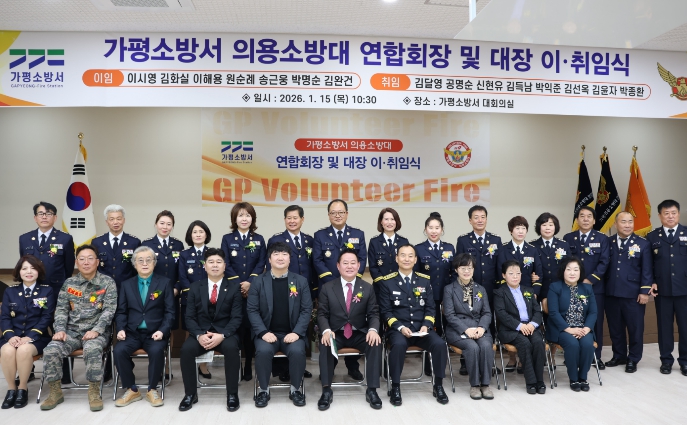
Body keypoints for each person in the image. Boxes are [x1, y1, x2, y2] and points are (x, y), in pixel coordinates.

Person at [40, 244, 118, 412]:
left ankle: (94, 392)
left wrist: (96, 330)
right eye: (82, 259)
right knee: (51, 349)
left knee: (92, 348)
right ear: (76, 262)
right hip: (71, 332)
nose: (86, 262)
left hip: (97, 333)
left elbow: (109, 310)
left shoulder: (107, 282)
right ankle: (55, 392)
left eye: (90, 258)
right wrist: (60, 330)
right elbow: (61, 310)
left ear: (97, 262)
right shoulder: (69, 283)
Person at [378, 244, 448, 406]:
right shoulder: (387, 282)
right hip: (398, 330)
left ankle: (438, 385)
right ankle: (395, 387)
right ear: (396, 259)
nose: (407, 259)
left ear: (416, 260)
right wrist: (400, 327)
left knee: (439, 344)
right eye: (403, 255)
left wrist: (426, 325)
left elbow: (430, 308)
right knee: (398, 345)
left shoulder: (424, 280)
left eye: (410, 256)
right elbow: (386, 312)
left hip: (421, 330)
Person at [247, 241, 312, 408]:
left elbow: (306, 310)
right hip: (267, 333)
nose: (280, 257)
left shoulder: (300, 281)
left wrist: (297, 332)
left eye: (284, 254)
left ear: (290, 259)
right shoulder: (258, 281)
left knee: (298, 351)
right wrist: (263, 332)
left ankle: (295, 389)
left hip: (292, 333)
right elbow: (252, 310)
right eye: (276, 254)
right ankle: (263, 390)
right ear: (269, 259)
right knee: (262, 351)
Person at [316, 248, 382, 411]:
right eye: (345, 263)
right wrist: (326, 330)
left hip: (359, 332)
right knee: (325, 343)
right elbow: (322, 314)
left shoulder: (367, 288)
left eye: (353, 263)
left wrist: (373, 330)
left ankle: (372, 390)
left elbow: (373, 313)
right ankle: (326, 390)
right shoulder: (327, 287)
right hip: (336, 332)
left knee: (375, 343)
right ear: (338, 266)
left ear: (359, 265)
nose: (349, 266)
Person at [178, 248, 243, 412]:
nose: (215, 265)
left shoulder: (234, 287)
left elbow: (237, 317)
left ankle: (232, 394)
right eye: (211, 262)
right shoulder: (195, 287)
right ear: (204, 266)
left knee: (232, 349)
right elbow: (189, 317)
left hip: (225, 334)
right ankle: (190, 394)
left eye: (219, 262)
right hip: (201, 333)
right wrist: (199, 335)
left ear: (224, 266)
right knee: (186, 350)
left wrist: (222, 335)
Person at [113, 246, 175, 408]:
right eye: (140, 260)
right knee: (118, 351)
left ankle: (152, 389)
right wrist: (121, 329)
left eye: (149, 260)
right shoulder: (126, 284)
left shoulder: (165, 283)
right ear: (134, 264)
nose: (145, 263)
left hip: (155, 333)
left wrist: (162, 331)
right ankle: (131, 389)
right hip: (132, 333)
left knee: (156, 351)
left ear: (154, 263)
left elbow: (170, 312)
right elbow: (121, 311)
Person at [313, 199, 367, 380]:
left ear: (347, 214)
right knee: (331, 324)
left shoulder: (357, 234)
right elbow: (317, 261)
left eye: (341, 212)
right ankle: (330, 366)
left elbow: (362, 259)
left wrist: (350, 280)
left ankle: (353, 366)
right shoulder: (320, 235)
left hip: (352, 287)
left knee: (352, 322)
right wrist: (335, 283)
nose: (337, 215)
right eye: (333, 212)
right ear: (329, 215)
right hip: (329, 289)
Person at [266, 205, 315, 382]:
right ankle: (282, 369)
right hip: (282, 289)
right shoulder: (276, 239)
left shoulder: (309, 240)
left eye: (295, 218)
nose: (292, 221)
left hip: (305, 289)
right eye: (289, 218)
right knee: (282, 325)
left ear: (302, 219)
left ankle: (298, 366)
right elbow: (270, 265)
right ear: (284, 219)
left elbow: (313, 266)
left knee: (302, 327)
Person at [220, 202, 267, 381]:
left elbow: (261, 263)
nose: (244, 219)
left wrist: (250, 283)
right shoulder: (227, 239)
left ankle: (248, 363)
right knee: (236, 328)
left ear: (252, 218)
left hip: (254, 290)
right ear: (235, 218)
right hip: (233, 290)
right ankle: (237, 363)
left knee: (250, 328)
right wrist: (240, 284)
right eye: (240, 215)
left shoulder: (259, 239)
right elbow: (225, 263)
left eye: (247, 215)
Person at [1, 256, 56, 409]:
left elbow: (47, 317)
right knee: (7, 350)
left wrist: (30, 336)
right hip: (12, 336)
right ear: (19, 271)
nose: (29, 272)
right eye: (24, 268)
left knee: (24, 350)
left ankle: (22, 388)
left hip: (37, 337)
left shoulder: (46, 290)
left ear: (39, 271)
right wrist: (10, 336)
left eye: (33, 268)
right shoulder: (10, 291)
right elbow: (5, 317)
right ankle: (11, 389)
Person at [455, 205, 501, 376]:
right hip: (468, 289)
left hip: (490, 289)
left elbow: (499, 266)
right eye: (476, 217)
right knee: (468, 320)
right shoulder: (463, 240)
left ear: (486, 219)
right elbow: (459, 264)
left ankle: (489, 362)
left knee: (489, 324)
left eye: (483, 217)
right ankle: (466, 362)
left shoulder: (495, 240)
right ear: (470, 220)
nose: (480, 220)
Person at [604, 212, 651, 373]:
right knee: (615, 328)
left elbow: (647, 269)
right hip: (611, 292)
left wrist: (644, 291)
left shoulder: (642, 243)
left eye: (630, 221)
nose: (627, 225)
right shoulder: (608, 242)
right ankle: (619, 355)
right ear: (615, 224)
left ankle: (633, 358)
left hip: (633, 293)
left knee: (635, 328)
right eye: (623, 222)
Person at [443, 253, 494, 400]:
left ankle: (485, 384)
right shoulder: (449, 289)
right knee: (472, 347)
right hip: (458, 330)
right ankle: (475, 385)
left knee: (486, 345)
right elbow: (450, 315)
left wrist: (482, 328)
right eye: (463, 268)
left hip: (479, 328)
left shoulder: (480, 289)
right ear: (456, 270)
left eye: (470, 268)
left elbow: (487, 313)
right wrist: (466, 329)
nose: (467, 271)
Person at [563, 206, 609, 368]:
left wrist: (590, 280)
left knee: (595, 321)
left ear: (594, 220)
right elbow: (565, 262)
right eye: (582, 216)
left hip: (595, 288)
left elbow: (604, 262)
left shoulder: (602, 238)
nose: (585, 219)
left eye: (589, 216)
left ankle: (596, 356)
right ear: (577, 220)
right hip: (572, 288)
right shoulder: (568, 238)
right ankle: (573, 355)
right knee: (573, 320)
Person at [493, 260, 546, 394]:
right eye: (511, 273)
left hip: (530, 327)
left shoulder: (528, 290)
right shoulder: (499, 292)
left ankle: (540, 380)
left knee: (538, 342)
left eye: (518, 273)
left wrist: (532, 325)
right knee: (524, 344)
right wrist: (520, 326)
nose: (515, 276)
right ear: (504, 275)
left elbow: (537, 311)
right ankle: (531, 382)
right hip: (511, 329)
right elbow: (502, 314)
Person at [647, 199, 687, 375]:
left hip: (684, 289)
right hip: (662, 289)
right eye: (666, 213)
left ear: (678, 214)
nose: (670, 216)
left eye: (673, 213)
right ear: (659, 216)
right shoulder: (652, 236)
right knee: (664, 328)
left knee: (685, 327)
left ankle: (685, 361)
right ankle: (666, 361)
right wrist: (651, 281)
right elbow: (648, 264)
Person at [546, 257, 597, 392]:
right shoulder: (555, 287)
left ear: (580, 272)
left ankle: (583, 377)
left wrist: (586, 328)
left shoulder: (587, 288)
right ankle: (574, 378)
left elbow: (593, 312)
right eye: (568, 269)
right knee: (573, 344)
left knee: (587, 345)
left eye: (576, 269)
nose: (572, 273)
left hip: (583, 328)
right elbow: (554, 313)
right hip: (563, 329)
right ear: (563, 271)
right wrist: (569, 329)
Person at [178, 220, 212, 378]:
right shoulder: (184, 254)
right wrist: (193, 294)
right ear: (190, 235)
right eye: (195, 232)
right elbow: (182, 277)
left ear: (206, 235)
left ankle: (203, 366)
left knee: (206, 331)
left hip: (210, 300)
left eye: (201, 232)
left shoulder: (212, 253)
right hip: (189, 299)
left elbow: (216, 275)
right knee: (189, 330)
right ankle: (189, 364)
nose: (198, 235)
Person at [414, 212, 455, 340]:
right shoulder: (418, 249)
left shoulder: (449, 248)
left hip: (445, 295)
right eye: (430, 227)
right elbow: (415, 275)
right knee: (429, 327)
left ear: (442, 230)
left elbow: (454, 272)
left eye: (437, 228)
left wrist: (450, 292)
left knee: (446, 326)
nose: (434, 231)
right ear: (425, 229)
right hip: (426, 296)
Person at [18, 202, 75, 291]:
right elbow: (23, 262)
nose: (44, 217)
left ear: (55, 218)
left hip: (56, 287)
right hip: (32, 286)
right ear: (35, 218)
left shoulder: (65, 238)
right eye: (41, 214)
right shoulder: (24, 238)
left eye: (48, 214)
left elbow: (69, 266)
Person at [92, 204, 141, 291]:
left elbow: (137, 268)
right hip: (103, 289)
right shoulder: (97, 242)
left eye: (119, 219)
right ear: (107, 222)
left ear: (124, 220)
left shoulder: (134, 242)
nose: (115, 222)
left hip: (127, 289)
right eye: (111, 219)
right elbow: (94, 267)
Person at [368, 207, 409, 296]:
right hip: (380, 288)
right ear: (381, 222)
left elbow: (407, 265)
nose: (389, 222)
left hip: (400, 286)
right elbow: (373, 267)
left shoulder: (403, 242)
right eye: (386, 219)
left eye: (392, 219)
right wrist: (384, 284)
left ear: (396, 221)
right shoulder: (374, 242)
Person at [530, 213, 570, 301]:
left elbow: (569, 266)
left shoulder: (564, 245)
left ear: (555, 227)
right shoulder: (532, 246)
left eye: (551, 225)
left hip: (560, 289)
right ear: (539, 227)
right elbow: (527, 266)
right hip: (539, 290)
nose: (547, 228)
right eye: (544, 225)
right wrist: (531, 275)